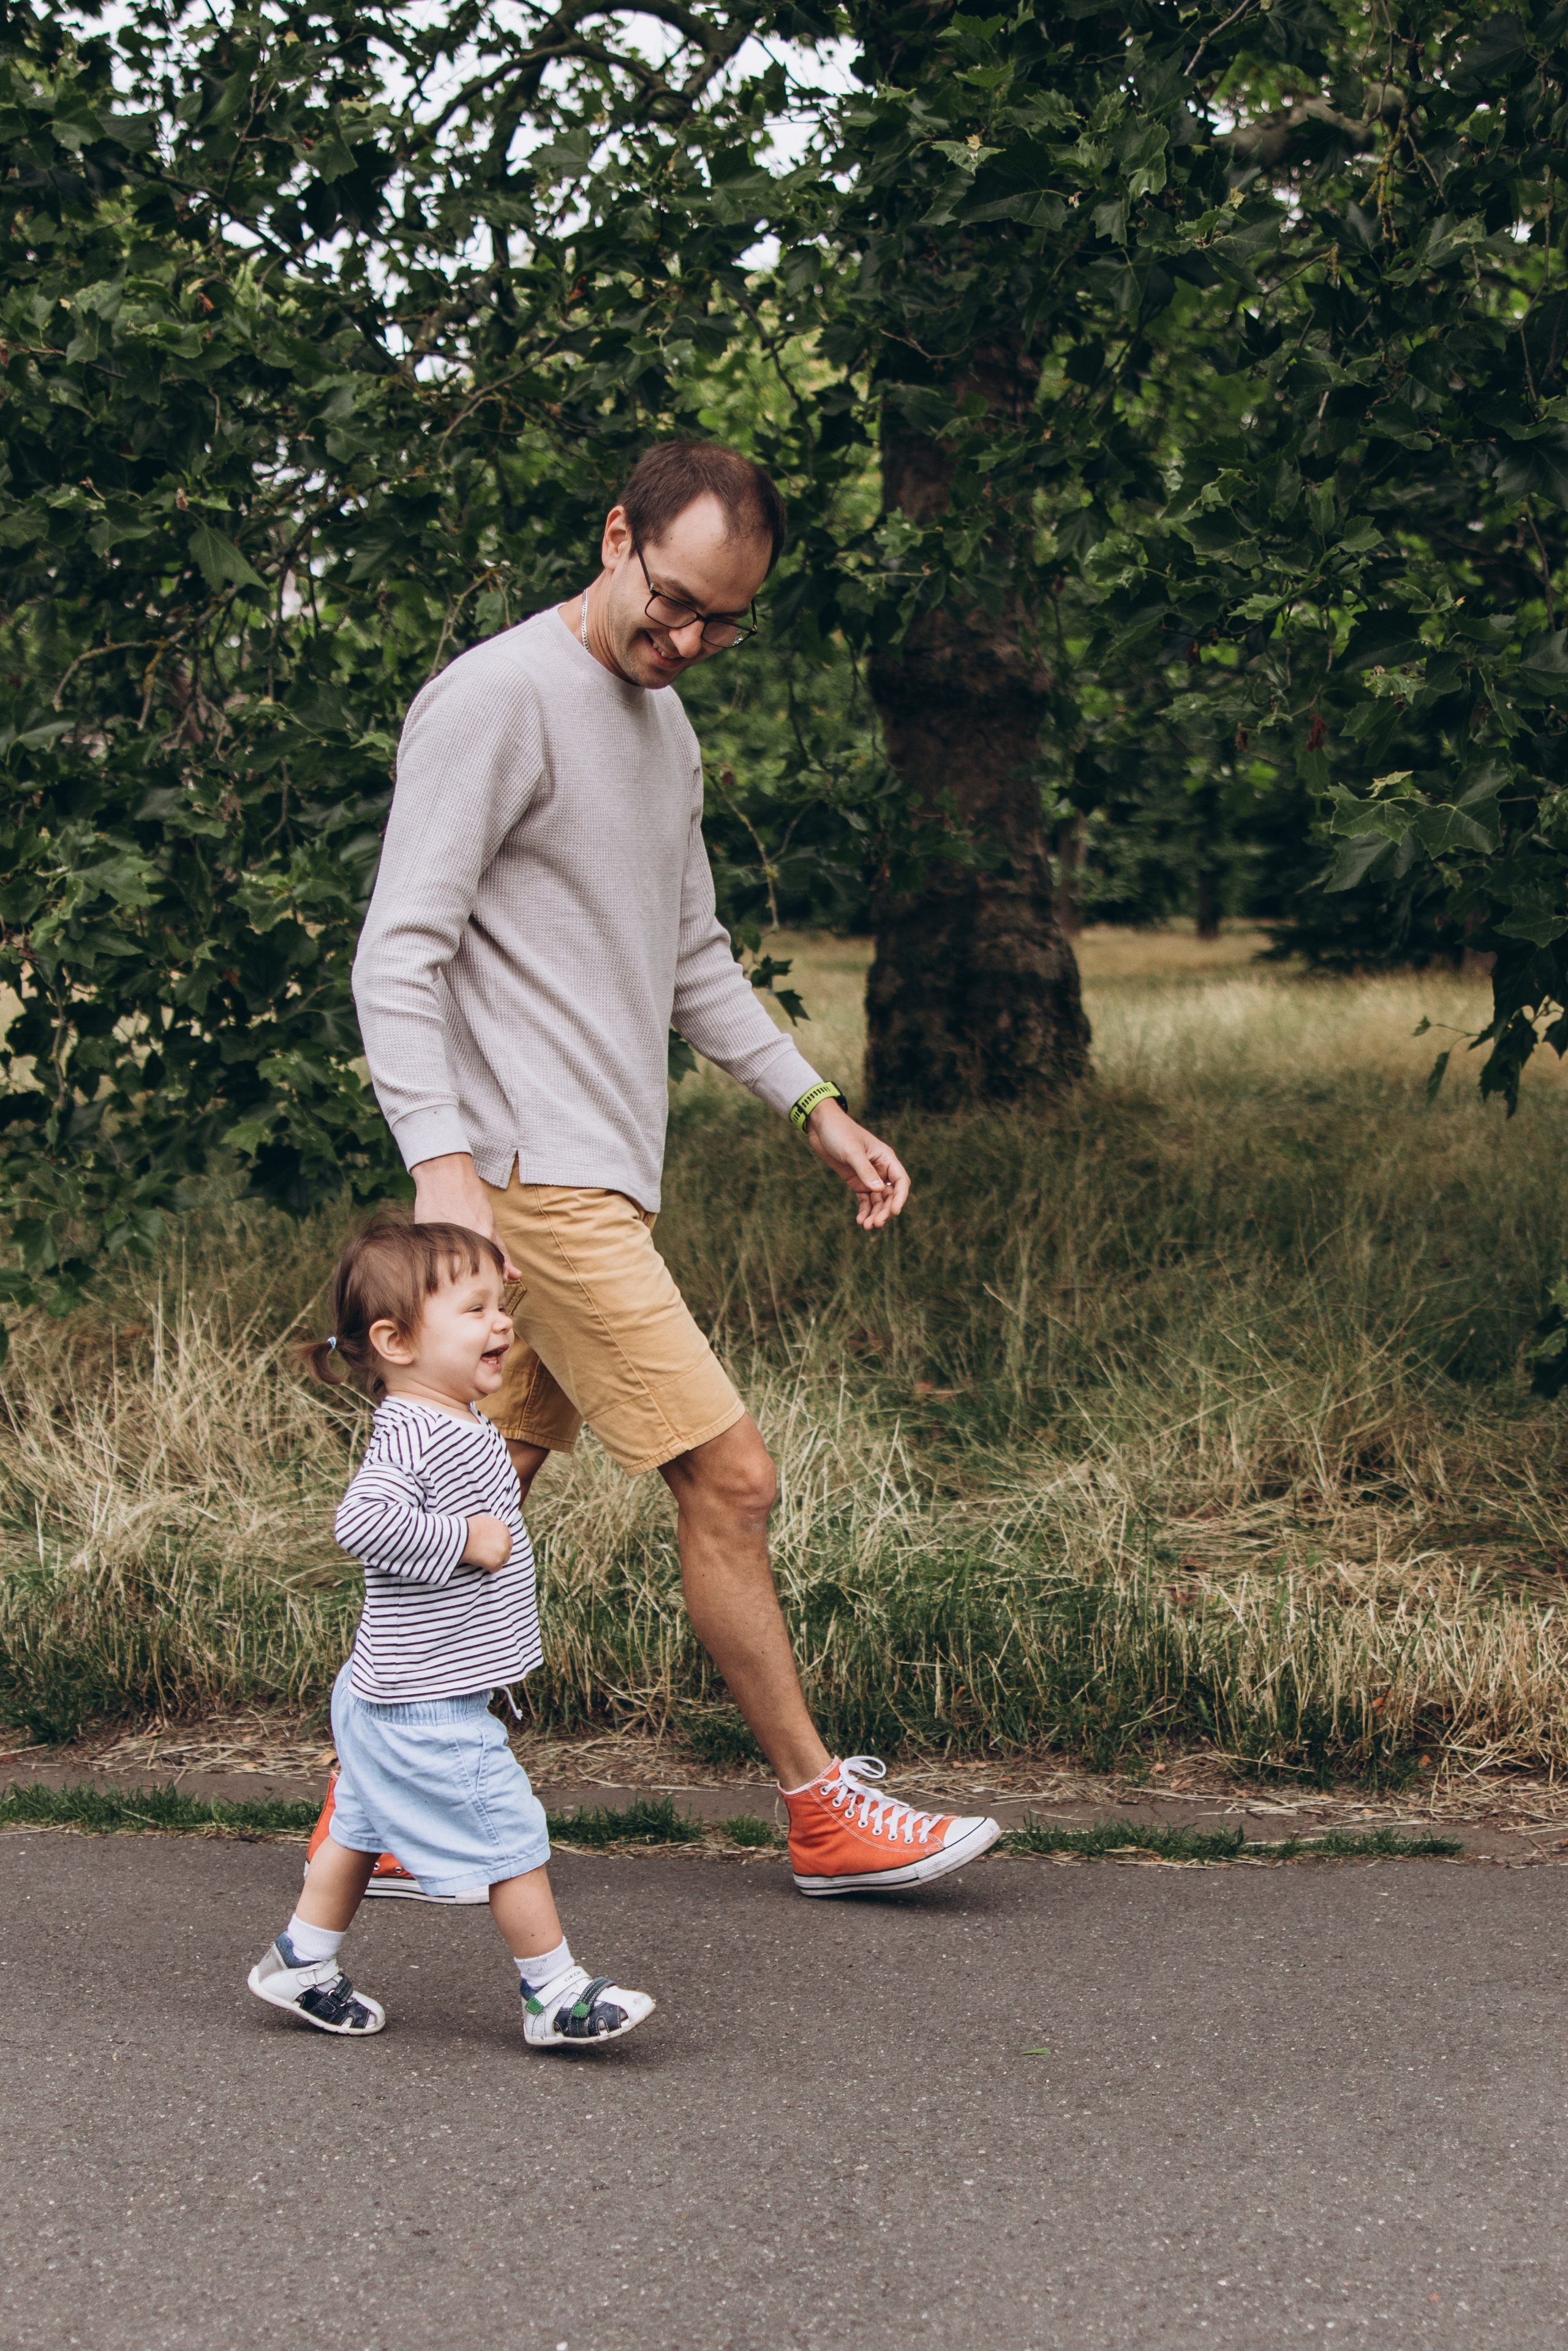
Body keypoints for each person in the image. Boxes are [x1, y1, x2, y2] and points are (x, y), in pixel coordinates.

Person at [338, 437, 1000, 1895]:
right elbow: (397, 954)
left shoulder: (662, 727)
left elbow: (693, 954)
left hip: (590, 1171)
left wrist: (810, 1103)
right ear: (616, 537)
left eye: (724, 622)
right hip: (528, 1179)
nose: (688, 640)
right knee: (730, 1475)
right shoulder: (498, 699)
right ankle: (819, 1809)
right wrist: (442, 1168)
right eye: (674, 601)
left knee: (484, 1486)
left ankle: (371, 1812)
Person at [247, 1218, 654, 2045]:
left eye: (499, 1306)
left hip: (388, 1689)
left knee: (359, 1827)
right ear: (395, 1342)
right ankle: (554, 1995)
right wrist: (465, 1539)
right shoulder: (417, 1431)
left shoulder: (450, 1416)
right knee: (511, 1836)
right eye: (475, 1310)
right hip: (424, 1706)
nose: (501, 1323)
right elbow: (362, 1522)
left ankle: (301, 1961)